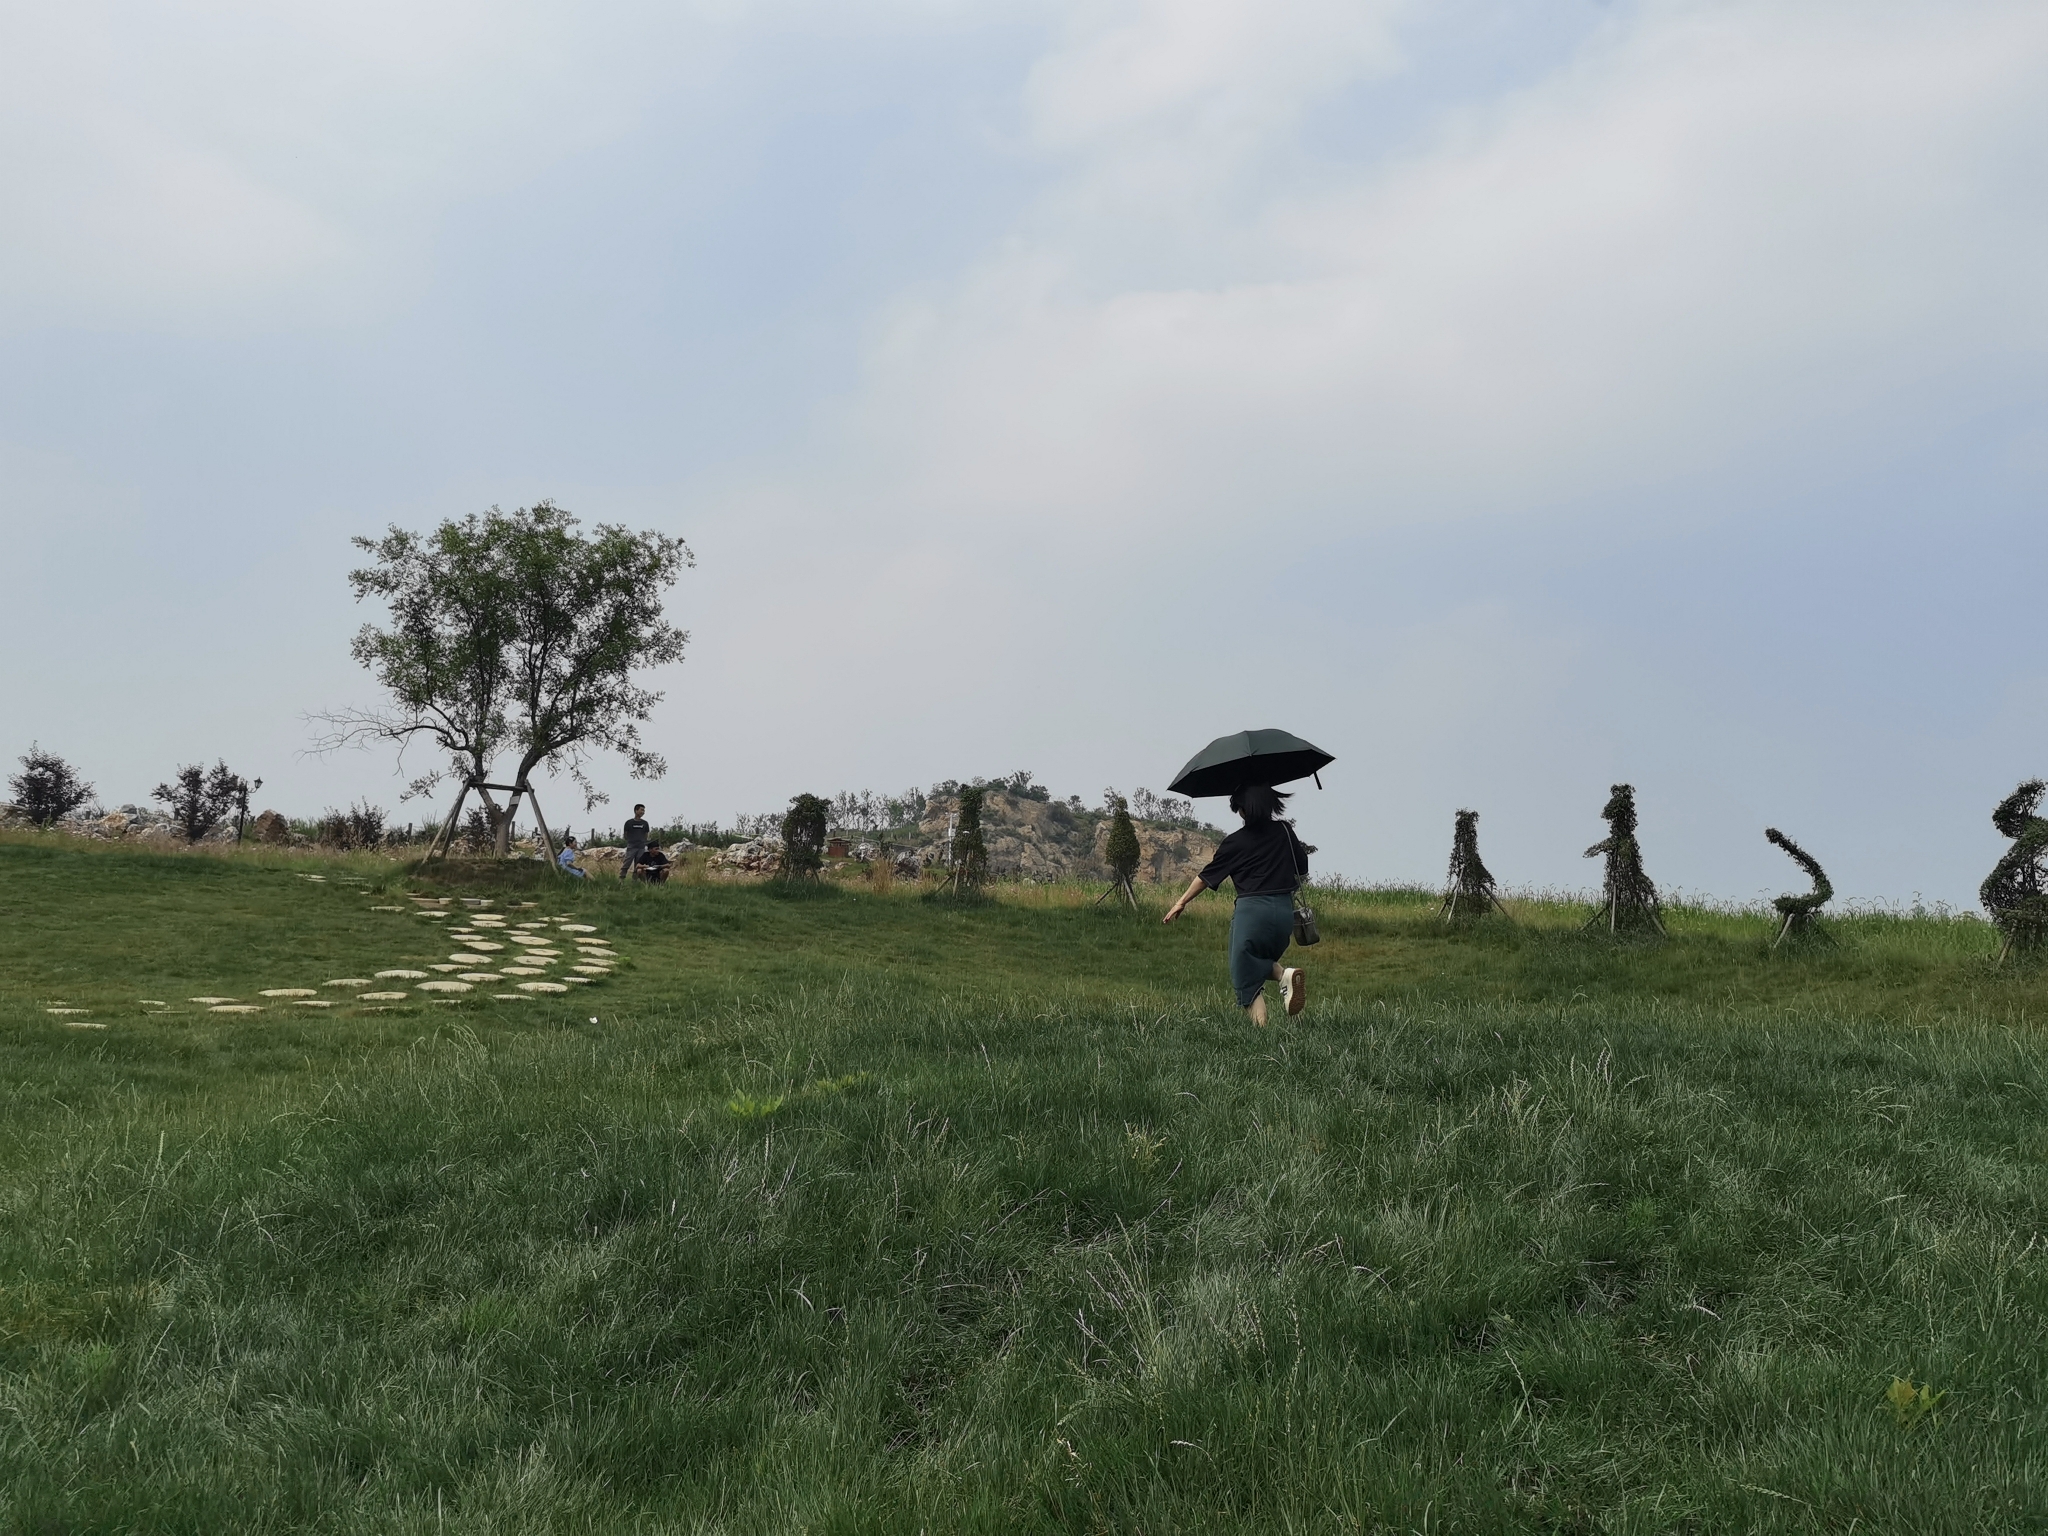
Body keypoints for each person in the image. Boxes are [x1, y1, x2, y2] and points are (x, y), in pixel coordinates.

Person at [1162, 784, 1308, 1026]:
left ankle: (1266, 1023)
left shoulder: (1236, 842)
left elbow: (1207, 877)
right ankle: (1285, 977)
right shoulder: (1284, 830)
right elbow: (1302, 868)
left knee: (1243, 974)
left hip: (1252, 912)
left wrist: (1181, 902)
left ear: (1242, 810)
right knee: (1254, 962)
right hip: (1283, 911)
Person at [620, 803, 650, 879]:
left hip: (641, 847)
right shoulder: (629, 823)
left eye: (644, 810)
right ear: (636, 810)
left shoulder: (645, 823)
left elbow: (646, 834)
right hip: (632, 846)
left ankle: (635, 881)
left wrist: (643, 841)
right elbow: (625, 834)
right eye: (641, 810)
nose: (643, 812)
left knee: (638, 864)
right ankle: (621, 879)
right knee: (627, 863)